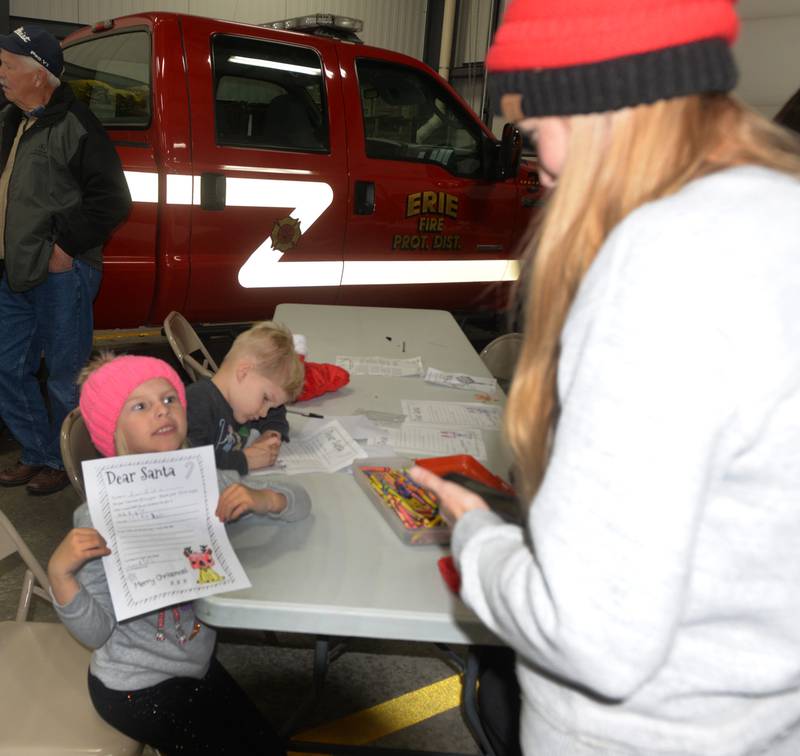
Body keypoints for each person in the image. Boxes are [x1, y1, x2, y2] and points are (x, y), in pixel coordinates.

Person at [410, 1, 800, 753]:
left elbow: (591, 632)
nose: (537, 161)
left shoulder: (662, 260)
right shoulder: (778, 215)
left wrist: (476, 536)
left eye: (534, 122)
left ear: (597, 99)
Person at [48, 354, 311, 754]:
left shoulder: (205, 481)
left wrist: (266, 498)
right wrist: (61, 575)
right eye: (141, 406)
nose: (161, 411)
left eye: (170, 399)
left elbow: (300, 503)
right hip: (135, 686)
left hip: (194, 661)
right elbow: (97, 632)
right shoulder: (97, 518)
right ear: (113, 429)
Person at [0, 26, 131, 495]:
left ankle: (66, 460)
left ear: (39, 74)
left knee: (62, 374)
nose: (1, 74)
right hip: (14, 271)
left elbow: (113, 200)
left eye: (7, 65)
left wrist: (64, 250)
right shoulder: (14, 121)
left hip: (60, 272)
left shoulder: (77, 125)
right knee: (7, 366)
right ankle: (39, 452)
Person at [187, 321, 304, 474]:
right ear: (243, 372)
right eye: (265, 398)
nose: (263, 413)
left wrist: (271, 434)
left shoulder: (240, 402)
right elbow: (190, 465)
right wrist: (244, 460)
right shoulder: (196, 404)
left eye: (271, 406)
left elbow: (277, 413)